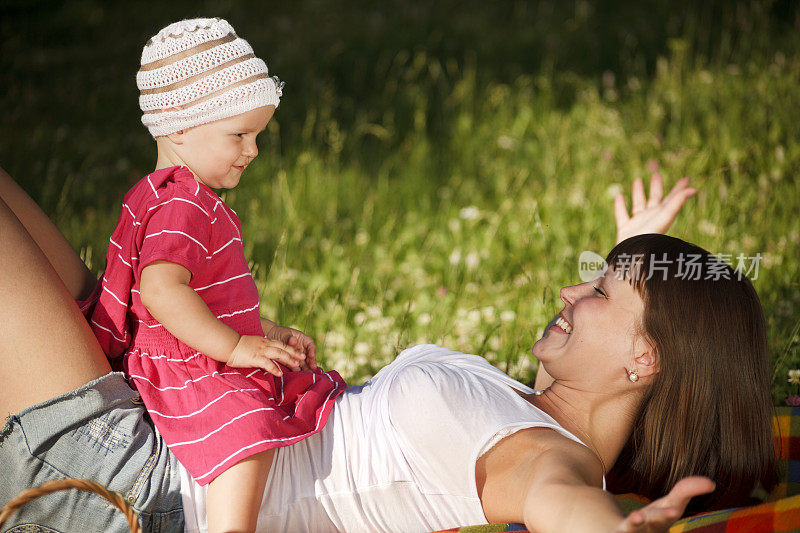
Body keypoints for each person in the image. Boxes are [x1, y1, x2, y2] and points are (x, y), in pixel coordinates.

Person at [0, 165, 777, 533]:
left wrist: (618, 531)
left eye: (599, 291)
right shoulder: (533, 409)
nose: (570, 293)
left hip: (138, 486)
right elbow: (600, 367)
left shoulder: (546, 458)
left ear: (645, 360)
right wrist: (636, 257)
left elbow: (568, 506)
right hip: (160, 409)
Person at [76, 17, 346, 532]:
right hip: (180, 363)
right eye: (239, 134)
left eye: (257, 134)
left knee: (267, 394)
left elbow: (203, 299)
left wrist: (262, 333)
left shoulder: (166, 192)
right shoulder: (183, 204)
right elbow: (160, 290)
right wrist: (235, 349)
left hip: (189, 344)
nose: (253, 149)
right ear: (179, 126)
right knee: (246, 425)